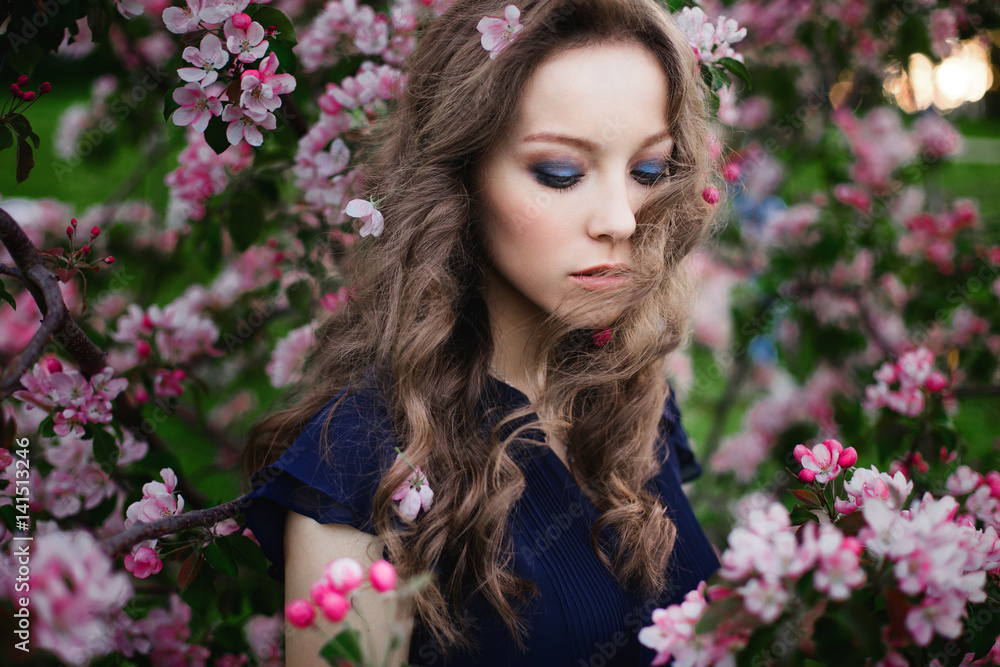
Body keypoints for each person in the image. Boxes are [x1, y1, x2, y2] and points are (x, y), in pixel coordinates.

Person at [240, 0, 723, 664]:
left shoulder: (631, 396)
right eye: (561, 173)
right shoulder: (362, 465)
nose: (621, 219)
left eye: (647, 172)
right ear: (461, 177)